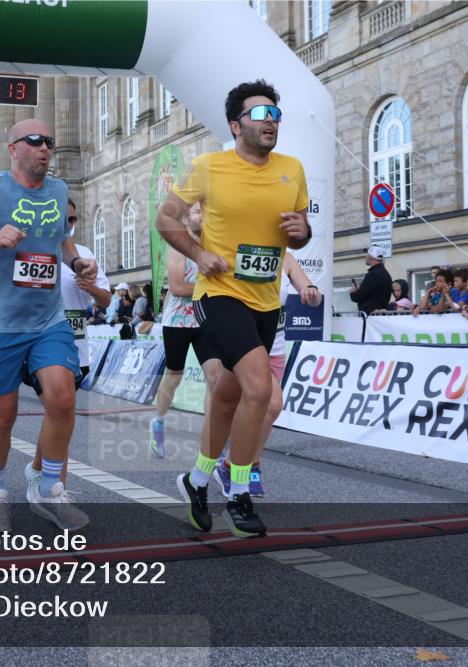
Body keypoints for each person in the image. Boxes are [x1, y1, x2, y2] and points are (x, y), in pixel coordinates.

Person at [156, 79, 311, 538]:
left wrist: (302, 229)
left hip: (265, 300)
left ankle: (196, 479)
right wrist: (200, 254)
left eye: (275, 115)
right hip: (219, 294)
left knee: (228, 391)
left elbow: (297, 237)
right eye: (260, 115)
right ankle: (238, 490)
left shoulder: (292, 170)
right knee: (259, 390)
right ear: (235, 124)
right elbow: (167, 218)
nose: (270, 123)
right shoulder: (209, 167)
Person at [0, 118, 98, 533]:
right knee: (3, 414)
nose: (44, 148)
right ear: (13, 148)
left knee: (63, 399)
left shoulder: (59, 190)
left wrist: (79, 263)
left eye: (49, 141)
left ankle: (48, 489)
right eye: (34, 141)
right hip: (1, 325)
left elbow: (61, 243)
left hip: (48, 320)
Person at [216, 251, 321, 498]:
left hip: (276, 347)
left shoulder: (286, 257)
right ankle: (234, 464)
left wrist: (311, 293)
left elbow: (312, 295)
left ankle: (246, 463)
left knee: (260, 410)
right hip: (248, 344)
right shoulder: (244, 251)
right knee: (273, 405)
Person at [25, 199, 111, 495]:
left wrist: (91, 289)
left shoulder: (84, 255)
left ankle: (37, 468)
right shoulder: (34, 249)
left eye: (73, 219)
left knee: (58, 416)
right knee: (61, 414)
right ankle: (55, 488)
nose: (69, 225)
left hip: (78, 347)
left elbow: (107, 301)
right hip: (43, 347)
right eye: (64, 219)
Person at [149, 202, 222, 459]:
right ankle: (158, 420)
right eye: (196, 212)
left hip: (205, 319)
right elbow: (178, 286)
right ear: (187, 217)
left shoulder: (214, 243)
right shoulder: (179, 244)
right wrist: (215, 289)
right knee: (174, 376)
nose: (201, 216)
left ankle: (213, 437)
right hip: (178, 320)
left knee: (215, 377)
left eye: (205, 211)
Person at [349, 244, 393, 314]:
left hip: (371, 317)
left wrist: (352, 292)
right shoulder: (385, 274)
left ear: (371, 256)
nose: (366, 256)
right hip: (379, 316)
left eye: (367, 254)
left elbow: (357, 297)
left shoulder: (373, 274)